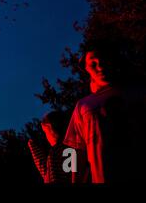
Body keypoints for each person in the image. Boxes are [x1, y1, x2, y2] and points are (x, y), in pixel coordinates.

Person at [63, 39, 146, 183]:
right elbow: (75, 150)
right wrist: (74, 179)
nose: (100, 67)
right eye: (93, 64)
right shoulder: (83, 106)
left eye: (104, 61)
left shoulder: (137, 93)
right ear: (86, 69)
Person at [28, 111, 71, 184]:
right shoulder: (73, 148)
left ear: (50, 128)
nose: (46, 136)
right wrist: (34, 150)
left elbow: (53, 178)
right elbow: (48, 174)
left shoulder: (55, 152)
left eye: (45, 131)